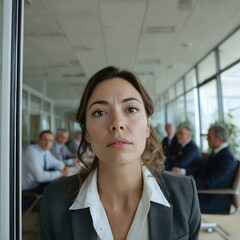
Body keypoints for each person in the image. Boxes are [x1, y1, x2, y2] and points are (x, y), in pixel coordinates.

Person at [39, 66, 200, 240]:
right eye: (100, 112)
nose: (117, 123)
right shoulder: (54, 200)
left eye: (131, 109)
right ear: (86, 132)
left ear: (147, 126)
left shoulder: (185, 193)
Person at [194, 124, 238, 214]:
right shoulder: (216, 153)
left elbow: (210, 183)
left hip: (214, 200)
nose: (206, 139)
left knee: (178, 203)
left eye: (209, 137)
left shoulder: (227, 158)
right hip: (204, 194)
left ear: (219, 139)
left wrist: (188, 182)